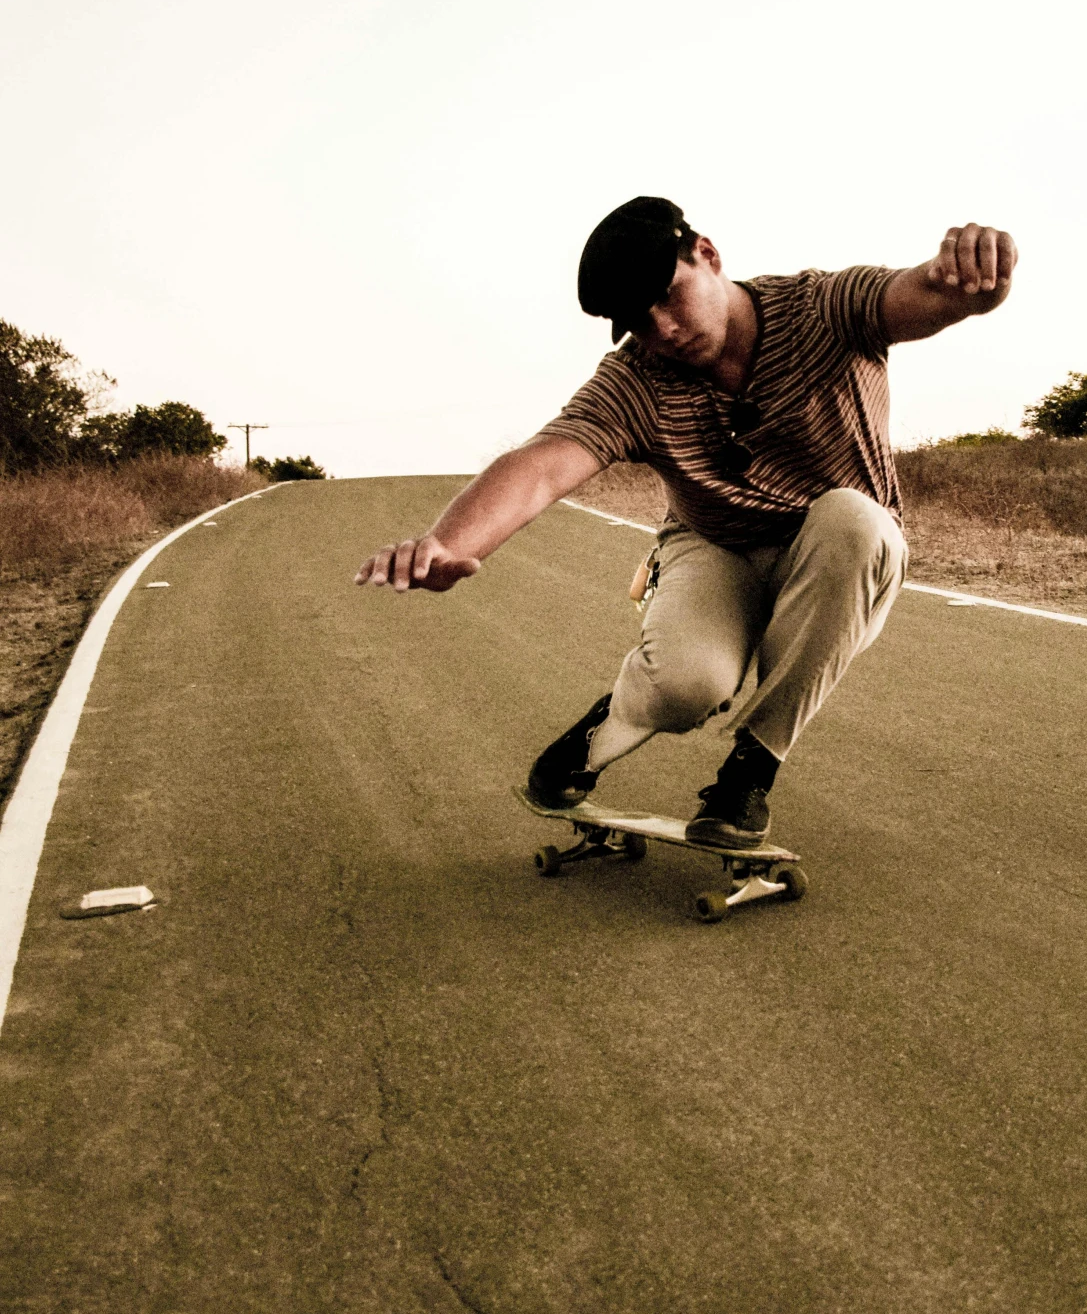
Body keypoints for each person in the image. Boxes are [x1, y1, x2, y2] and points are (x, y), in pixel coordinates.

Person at [355, 199, 1017, 844]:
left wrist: (970, 285)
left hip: (833, 550)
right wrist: (447, 543)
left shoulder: (821, 308)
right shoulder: (635, 381)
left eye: (669, 297)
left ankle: (749, 772)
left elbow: (916, 296)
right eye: (638, 322)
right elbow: (541, 465)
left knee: (856, 522)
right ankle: (594, 737)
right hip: (714, 546)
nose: (662, 331)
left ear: (705, 254)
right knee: (686, 685)